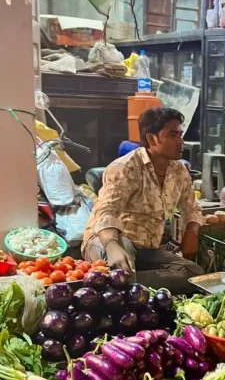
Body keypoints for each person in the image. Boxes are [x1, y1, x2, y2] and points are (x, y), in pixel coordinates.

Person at [82, 107, 204, 294]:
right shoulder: (125, 167)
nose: (180, 141)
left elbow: (191, 208)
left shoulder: (179, 171)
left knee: (194, 273)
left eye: (181, 134)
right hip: (107, 240)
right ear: (152, 139)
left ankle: (128, 283)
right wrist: (112, 246)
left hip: (146, 250)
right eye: (173, 135)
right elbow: (104, 212)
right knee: (120, 261)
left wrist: (192, 232)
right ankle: (125, 280)